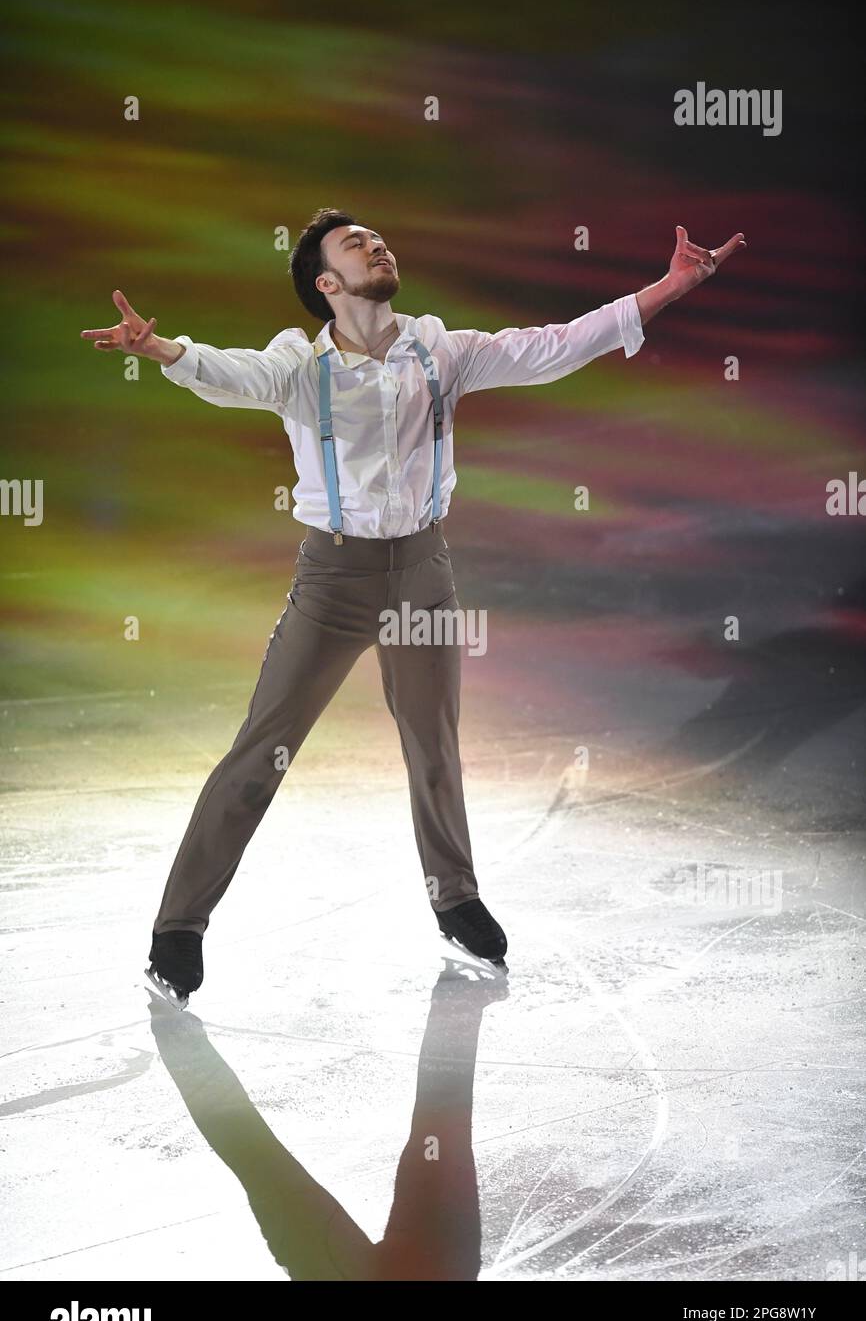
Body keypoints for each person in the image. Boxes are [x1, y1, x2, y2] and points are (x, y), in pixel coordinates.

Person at [81, 210, 746, 1008]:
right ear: (327, 285)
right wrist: (162, 350)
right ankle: (179, 927)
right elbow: (233, 373)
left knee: (434, 742)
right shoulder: (300, 365)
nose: (376, 244)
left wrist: (670, 287)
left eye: (376, 237)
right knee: (263, 750)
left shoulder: (440, 350)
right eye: (354, 244)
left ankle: (454, 896)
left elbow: (554, 345)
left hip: (424, 572)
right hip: (334, 582)